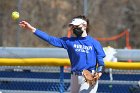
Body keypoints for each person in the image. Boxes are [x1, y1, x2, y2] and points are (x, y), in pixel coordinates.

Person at [19, 15, 106, 93]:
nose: (74, 28)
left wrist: (98, 74)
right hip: (74, 77)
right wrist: (31, 29)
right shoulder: (69, 41)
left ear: (84, 26)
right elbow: (50, 39)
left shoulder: (94, 43)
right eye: (73, 26)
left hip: (89, 77)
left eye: (77, 26)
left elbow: (101, 63)